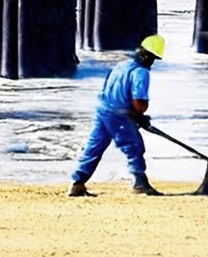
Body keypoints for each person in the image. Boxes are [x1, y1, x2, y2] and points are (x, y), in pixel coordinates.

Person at [68, 35, 166, 197]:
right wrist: (139, 114)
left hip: (102, 109)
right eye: (153, 58)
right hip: (118, 115)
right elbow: (139, 101)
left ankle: (77, 183)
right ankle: (140, 183)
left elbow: (109, 88)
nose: (152, 63)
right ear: (147, 56)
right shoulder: (141, 73)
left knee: (94, 147)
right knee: (134, 146)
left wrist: (135, 115)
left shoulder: (122, 65)